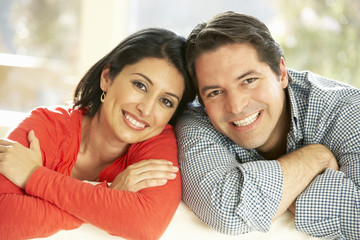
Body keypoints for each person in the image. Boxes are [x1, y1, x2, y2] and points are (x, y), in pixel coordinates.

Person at [176, 11, 359, 239]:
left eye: (249, 80)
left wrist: (276, 196)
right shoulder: (197, 120)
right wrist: (316, 158)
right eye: (215, 92)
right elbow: (228, 212)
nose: (235, 106)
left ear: (281, 73)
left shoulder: (347, 110)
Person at [0, 28, 195, 240]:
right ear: (107, 78)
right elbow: (3, 218)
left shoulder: (159, 143)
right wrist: (109, 199)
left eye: (166, 101)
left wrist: (34, 176)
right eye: (140, 85)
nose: (146, 109)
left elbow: (147, 225)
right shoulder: (43, 126)